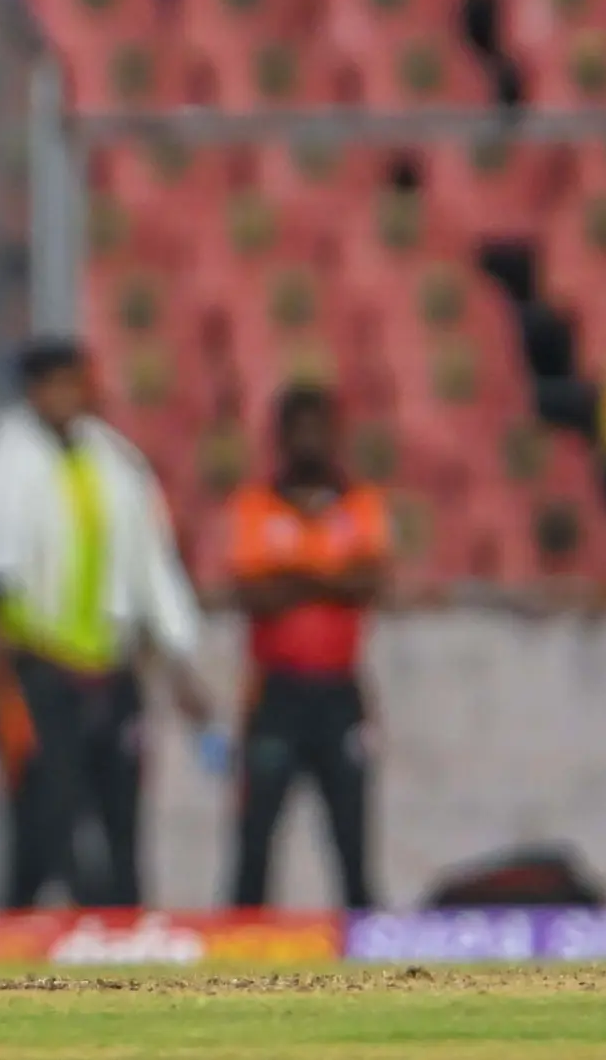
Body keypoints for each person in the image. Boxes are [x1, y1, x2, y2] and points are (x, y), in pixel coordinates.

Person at [0, 337, 213, 909]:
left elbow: (151, 565)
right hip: (41, 665)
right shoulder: (1, 461)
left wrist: (178, 662)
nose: (67, 397)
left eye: (75, 384)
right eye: (55, 385)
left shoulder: (114, 460)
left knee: (121, 817)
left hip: (110, 665)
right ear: (33, 391)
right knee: (47, 815)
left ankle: (125, 931)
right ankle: (25, 930)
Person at [225, 385, 385, 909]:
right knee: (254, 840)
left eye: (320, 428)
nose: (310, 441)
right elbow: (255, 594)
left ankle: (364, 947)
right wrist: (328, 576)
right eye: (300, 429)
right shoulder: (256, 505)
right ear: (281, 437)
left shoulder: (359, 503)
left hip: (340, 691)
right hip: (277, 693)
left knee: (352, 843)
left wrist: (294, 574)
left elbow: (367, 581)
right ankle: (242, 945)